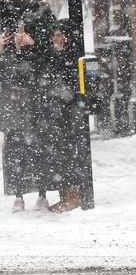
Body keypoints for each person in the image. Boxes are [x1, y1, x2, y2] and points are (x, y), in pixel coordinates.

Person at [0, 6, 54, 211]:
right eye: (17, 31)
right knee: (14, 153)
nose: (20, 35)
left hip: (32, 105)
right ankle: (18, 195)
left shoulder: (35, 51)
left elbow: (46, 67)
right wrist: (0, 50)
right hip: (12, 106)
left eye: (23, 31)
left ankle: (42, 194)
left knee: (37, 150)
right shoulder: (7, 54)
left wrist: (34, 45)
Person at [43, 19, 87, 213]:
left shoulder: (72, 56)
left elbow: (71, 80)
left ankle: (74, 195)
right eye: (54, 35)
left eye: (59, 34)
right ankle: (64, 195)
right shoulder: (51, 55)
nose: (56, 38)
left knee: (70, 151)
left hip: (69, 109)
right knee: (59, 152)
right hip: (57, 110)